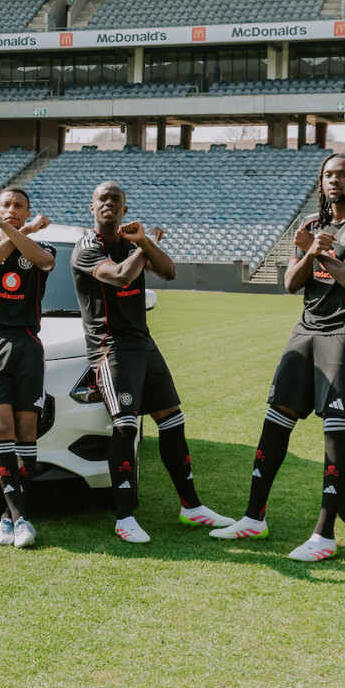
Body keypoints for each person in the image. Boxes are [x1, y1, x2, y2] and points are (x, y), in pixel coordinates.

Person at [212, 152, 345, 562]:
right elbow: (292, 283)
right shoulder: (310, 224)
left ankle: (324, 535)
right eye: (328, 174)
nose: (334, 180)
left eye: (342, 174)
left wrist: (321, 255)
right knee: (276, 420)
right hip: (306, 329)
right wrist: (310, 252)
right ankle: (253, 517)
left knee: (335, 430)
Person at [70, 181, 231, 543]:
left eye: (116, 199)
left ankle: (191, 507)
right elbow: (121, 276)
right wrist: (146, 243)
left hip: (142, 342)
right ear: (91, 208)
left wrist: (144, 242)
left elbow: (170, 272)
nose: (109, 203)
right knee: (126, 426)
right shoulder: (85, 248)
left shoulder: (132, 243)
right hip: (110, 348)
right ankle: (124, 518)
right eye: (102, 199)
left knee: (172, 420)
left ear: (125, 209)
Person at [0, 188, 55, 549]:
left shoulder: (43, 247)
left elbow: (43, 261)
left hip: (28, 344)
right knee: (2, 428)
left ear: (28, 211)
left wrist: (26, 233)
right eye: (6, 205)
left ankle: (8, 518)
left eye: (19, 206)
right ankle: (21, 520)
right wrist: (20, 230)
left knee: (27, 430)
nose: (11, 210)